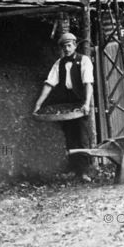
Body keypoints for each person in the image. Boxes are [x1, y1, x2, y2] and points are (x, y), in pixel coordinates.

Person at [33, 32, 94, 177]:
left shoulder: (84, 60)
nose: (66, 49)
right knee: (69, 137)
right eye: (64, 46)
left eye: (69, 45)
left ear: (74, 45)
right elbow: (49, 84)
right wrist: (38, 104)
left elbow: (88, 84)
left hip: (80, 103)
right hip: (65, 105)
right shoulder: (58, 64)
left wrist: (86, 103)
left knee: (82, 137)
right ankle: (74, 169)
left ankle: (86, 171)